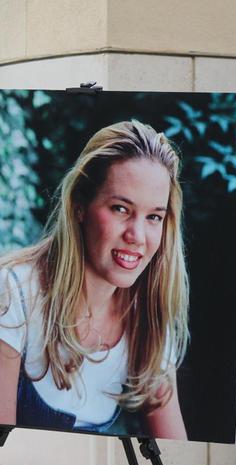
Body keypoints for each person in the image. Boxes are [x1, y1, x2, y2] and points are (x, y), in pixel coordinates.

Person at [0, 121, 189, 440]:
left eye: (153, 216)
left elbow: (176, 451)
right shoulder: (15, 292)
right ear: (79, 207)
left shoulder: (149, 322)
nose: (137, 236)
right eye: (120, 209)